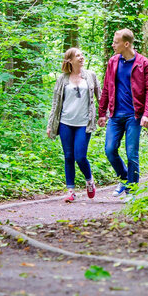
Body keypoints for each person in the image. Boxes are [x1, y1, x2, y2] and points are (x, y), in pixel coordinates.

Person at [97, 28, 148, 196]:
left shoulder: (144, 63)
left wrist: (147, 114)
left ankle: (132, 190)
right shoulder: (113, 62)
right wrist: (102, 113)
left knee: (132, 154)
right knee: (109, 150)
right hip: (115, 115)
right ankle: (124, 179)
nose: (113, 45)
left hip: (134, 116)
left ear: (126, 43)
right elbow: (107, 88)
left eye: (116, 42)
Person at [47, 47, 101, 203]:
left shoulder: (90, 76)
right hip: (65, 123)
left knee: (80, 156)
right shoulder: (62, 79)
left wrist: (104, 115)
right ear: (69, 60)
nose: (82, 58)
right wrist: (51, 125)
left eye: (82, 55)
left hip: (84, 123)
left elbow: (100, 96)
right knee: (68, 157)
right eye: (78, 56)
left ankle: (89, 180)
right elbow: (56, 103)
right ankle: (71, 191)